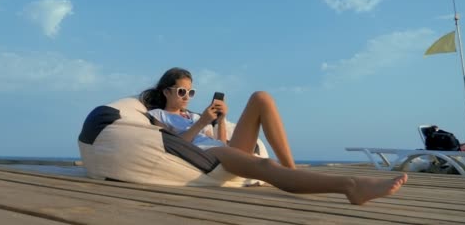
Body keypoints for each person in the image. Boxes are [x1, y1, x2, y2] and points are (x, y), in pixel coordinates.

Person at [139, 67, 408, 205]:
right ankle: (352, 187)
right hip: (204, 154)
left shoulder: (194, 116)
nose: (187, 97)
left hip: (220, 150)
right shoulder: (160, 116)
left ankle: (292, 170)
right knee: (265, 166)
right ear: (166, 92)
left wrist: (218, 121)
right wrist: (202, 124)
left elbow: (221, 143)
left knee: (261, 98)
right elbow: (176, 145)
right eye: (181, 92)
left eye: (191, 92)